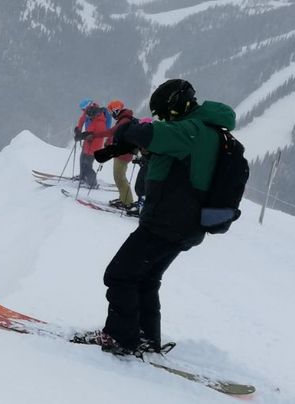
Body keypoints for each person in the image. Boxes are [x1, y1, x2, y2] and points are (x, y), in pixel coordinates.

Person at [76, 79, 236, 356]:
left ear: (175, 106)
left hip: (166, 223)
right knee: (146, 279)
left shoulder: (191, 130)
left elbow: (148, 135)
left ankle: (119, 337)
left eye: (164, 113)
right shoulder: (210, 131)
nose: (163, 118)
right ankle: (146, 337)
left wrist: (127, 126)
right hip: (187, 225)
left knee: (120, 275)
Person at [103, 100, 136, 212]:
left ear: (116, 110)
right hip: (122, 153)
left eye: (112, 111)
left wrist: (109, 142)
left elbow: (116, 134)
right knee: (119, 177)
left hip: (123, 154)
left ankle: (128, 203)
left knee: (120, 177)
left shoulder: (124, 120)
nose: (111, 114)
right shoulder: (123, 119)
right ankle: (124, 199)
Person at [73, 99, 113, 188]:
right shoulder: (90, 113)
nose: (84, 113)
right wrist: (78, 130)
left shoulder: (100, 120)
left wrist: (82, 135)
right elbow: (82, 120)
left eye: (84, 110)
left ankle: (92, 183)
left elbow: (96, 133)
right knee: (82, 159)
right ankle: (83, 177)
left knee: (87, 164)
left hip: (95, 144)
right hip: (88, 142)